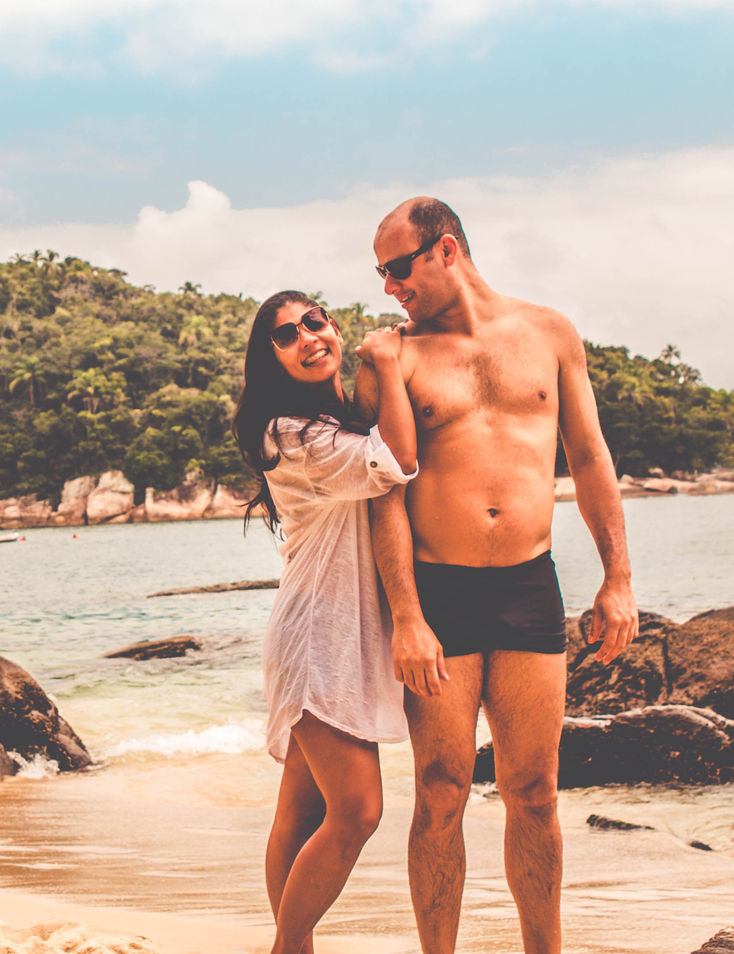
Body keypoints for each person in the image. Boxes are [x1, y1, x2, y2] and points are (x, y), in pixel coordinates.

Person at [355, 198, 639, 954]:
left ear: (446, 250)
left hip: (527, 584)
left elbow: (589, 457)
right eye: (380, 273)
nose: (389, 287)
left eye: (397, 268)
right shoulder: (393, 359)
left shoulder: (550, 334)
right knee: (440, 791)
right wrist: (406, 615)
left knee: (536, 793)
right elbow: (385, 494)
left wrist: (617, 578)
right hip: (438, 593)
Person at [232, 290, 418, 954]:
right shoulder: (291, 435)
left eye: (315, 321)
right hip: (318, 637)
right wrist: (388, 364)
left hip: (331, 630)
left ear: (332, 328)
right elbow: (396, 462)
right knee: (359, 810)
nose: (309, 337)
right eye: (287, 335)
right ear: (273, 360)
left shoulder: (332, 421)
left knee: (299, 812)